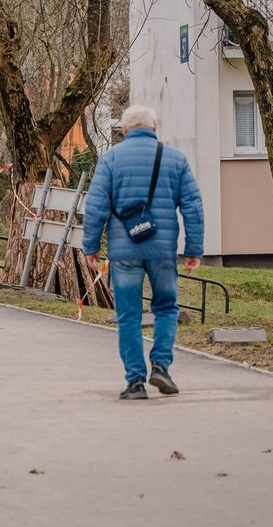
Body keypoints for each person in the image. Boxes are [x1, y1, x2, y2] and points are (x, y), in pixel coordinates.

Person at [82, 105, 204, 400]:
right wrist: (193, 249)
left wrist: (91, 246)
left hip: (124, 252)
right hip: (162, 250)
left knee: (128, 315)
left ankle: (135, 382)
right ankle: (161, 366)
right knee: (165, 307)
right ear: (154, 128)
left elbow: (96, 205)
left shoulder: (110, 159)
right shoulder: (175, 160)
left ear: (124, 131)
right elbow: (193, 207)